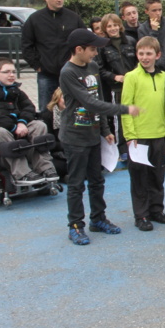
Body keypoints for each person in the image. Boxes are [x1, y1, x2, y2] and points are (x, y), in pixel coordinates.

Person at [60, 29, 139, 245]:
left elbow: (99, 97)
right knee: (76, 184)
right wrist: (124, 109)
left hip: (94, 135)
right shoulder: (68, 73)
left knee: (97, 180)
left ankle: (98, 218)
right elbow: (89, 103)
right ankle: (75, 225)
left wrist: (105, 130)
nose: (95, 53)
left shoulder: (93, 67)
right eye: (92, 49)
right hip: (75, 137)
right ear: (79, 49)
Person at [0, 58, 56, 185]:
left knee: (39, 125)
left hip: (17, 124)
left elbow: (29, 107)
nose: (12, 75)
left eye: (13, 71)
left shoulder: (15, 90)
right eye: (7, 72)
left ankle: (45, 168)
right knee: (1, 132)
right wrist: (13, 127)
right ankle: (22, 173)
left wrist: (22, 122)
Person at [120, 36, 165, 231]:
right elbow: (126, 107)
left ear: (157, 55)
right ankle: (141, 215)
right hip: (139, 137)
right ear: (137, 55)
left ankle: (156, 210)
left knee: (157, 176)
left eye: (149, 54)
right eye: (141, 53)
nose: (145, 57)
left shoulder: (163, 77)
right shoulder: (131, 77)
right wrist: (130, 135)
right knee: (139, 178)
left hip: (158, 135)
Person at [22, 0, 86, 110]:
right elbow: (26, 45)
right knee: (46, 109)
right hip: (47, 74)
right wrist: (37, 65)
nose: (59, 0)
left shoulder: (73, 18)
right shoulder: (35, 19)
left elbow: (84, 41)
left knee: (75, 108)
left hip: (71, 73)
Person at [96, 13, 138, 160]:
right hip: (115, 88)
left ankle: (137, 145)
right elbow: (99, 69)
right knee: (119, 118)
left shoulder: (131, 41)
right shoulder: (101, 46)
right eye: (109, 26)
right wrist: (115, 77)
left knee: (135, 114)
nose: (113, 28)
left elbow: (138, 62)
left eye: (115, 25)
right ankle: (122, 148)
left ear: (120, 25)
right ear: (104, 29)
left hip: (133, 86)